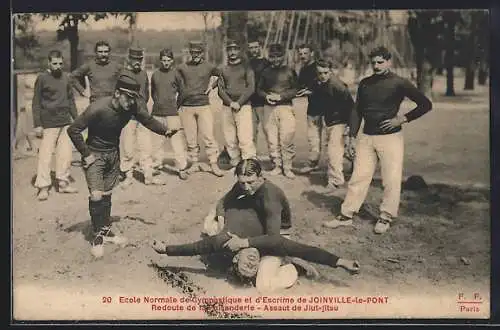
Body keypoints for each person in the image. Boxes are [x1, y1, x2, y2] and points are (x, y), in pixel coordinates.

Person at [152, 159, 360, 275]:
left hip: (274, 228)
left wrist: (339, 261)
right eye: (242, 182)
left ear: (262, 176)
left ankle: (288, 262)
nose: (246, 187)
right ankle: (278, 261)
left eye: (251, 181)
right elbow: (222, 202)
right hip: (248, 221)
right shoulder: (242, 186)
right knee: (215, 237)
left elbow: (275, 238)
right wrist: (222, 218)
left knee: (271, 248)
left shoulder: (270, 197)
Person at [67, 73, 181, 258]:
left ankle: (106, 231)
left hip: (113, 154)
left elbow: (146, 119)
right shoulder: (98, 108)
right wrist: (86, 154)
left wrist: (165, 131)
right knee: (96, 196)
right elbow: (73, 130)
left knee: (106, 194)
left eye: (134, 99)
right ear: (118, 93)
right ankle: (97, 237)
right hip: (94, 155)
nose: (131, 103)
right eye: (128, 98)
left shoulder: (131, 106)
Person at [323, 46, 433, 234]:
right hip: (367, 137)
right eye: (373, 62)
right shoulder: (365, 83)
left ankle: (386, 216)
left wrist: (402, 118)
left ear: (389, 62)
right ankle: (346, 215)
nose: (376, 66)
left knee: (391, 178)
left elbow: (425, 104)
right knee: (359, 176)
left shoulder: (399, 83)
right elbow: (357, 110)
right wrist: (350, 136)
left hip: (390, 138)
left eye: (380, 62)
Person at [297, 59, 355, 190]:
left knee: (334, 151)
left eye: (325, 72)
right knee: (341, 149)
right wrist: (311, 92)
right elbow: (320, 91)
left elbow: (352, 107)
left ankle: (336, 181)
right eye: (320, 73)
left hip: (340, 121)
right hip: (329, 120)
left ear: (331, 71)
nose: (322, 75)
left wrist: (350, 127)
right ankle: (357, 163)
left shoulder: (338, 86)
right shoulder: (319, 82)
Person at [32, 50, 79, 201]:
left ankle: (63, 183)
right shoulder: (42, 78)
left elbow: (71, 100)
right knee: (45, 155)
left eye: (60, 63)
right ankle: (43, 187)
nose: (58, 66)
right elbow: (36, 102)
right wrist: (38, 124)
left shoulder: (66, 78)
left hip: (65, 121)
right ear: (49, 63)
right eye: (54, 63)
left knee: (65, 153)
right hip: (49, 123)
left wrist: (77, 119)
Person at [176, 41, 224, 177]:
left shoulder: (209, 66)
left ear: (202, 53)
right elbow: (173, 80)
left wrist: (212, 87)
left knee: (208, 136)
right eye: (193, 52)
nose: (195, 55)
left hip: (203, 106)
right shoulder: (182, 67)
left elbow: (223, 75)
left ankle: (213, 164)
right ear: (190, 53)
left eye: (198, 52)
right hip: (187, 107)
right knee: (190, 138)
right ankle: (194, 163)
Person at [257, 44, 299, 179]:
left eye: (278, 56)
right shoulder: (265, 72)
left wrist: (281, 96)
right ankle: (277, 165)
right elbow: (259, 90)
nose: (275, 59)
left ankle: (287, 167)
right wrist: (266, 96)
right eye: (272, 57)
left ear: (283, 56)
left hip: (285, 107)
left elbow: (296, 90)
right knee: (272, 138)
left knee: (286, 138)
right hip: (269, 108)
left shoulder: (289, 71)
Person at [147, 48, 189, 180]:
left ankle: (181, 167)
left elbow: (183, 92)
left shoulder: (176, 74)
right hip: (157, 113)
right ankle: (157, 164)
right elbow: (153, 92)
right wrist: (159, 103)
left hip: (172, 114)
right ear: (160, 61)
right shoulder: (155, 74)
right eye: (163, 60)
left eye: (168, 60)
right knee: (157, 142)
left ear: (172, 61)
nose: (165, 63)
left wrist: (175, 105)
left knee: (176, 141)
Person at [119, 47, 158, 186]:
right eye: (134, 59)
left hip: (142, 115)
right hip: (127, 117)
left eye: (139, 59)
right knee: (128, 147)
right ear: (129, 59)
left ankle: (148, 176)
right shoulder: (123, 74)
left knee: (146, 147)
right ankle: (128, 175)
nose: (137, 62)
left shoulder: (143, 74)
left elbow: (146, 94)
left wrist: (141, 107)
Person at [217, 39, 257, 167]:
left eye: (235, 49)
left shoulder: (247, 67)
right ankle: (235, 161)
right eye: (230, 49)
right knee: (230, 137)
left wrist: (239, 102)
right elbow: (220, 89)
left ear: (239, 51)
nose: (232, 52)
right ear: (227, 51)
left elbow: (251, 87)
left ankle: (248, 163)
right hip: (227, 107)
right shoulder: (223, 69)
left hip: (243, 106)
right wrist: (230, 102)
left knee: (245, 137)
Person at [295, 44, 321, 173]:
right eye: (300, 54)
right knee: (313, 137)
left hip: (329, 107)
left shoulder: (319, 67)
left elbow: (325, 85)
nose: (303, 56)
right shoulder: (303, 70)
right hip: (313, 107)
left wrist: (312, 91)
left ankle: (352, 161)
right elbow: (299, 86)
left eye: (305, 53)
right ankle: (313, 163)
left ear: (312, 53)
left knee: (334, 138)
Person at [247, 39, 270, 148]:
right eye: (251, 48)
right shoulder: (247, 63)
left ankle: (275, 158)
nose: (254, 50)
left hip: (263, 102)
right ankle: (252, 157)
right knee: (251, 131)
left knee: (268, 130)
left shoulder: (266, 63)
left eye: (255, 47)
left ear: (260, 47)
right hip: (250, 102)